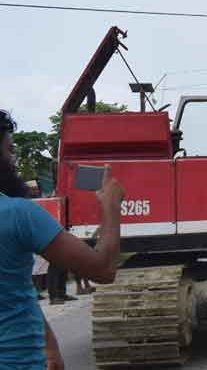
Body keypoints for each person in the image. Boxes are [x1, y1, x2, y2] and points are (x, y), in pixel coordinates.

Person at [1, 109, 124, 370]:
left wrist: (49, 345)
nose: (13, 159)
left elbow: (13, 292)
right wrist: (111, 207)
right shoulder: (18, 214)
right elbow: (103, 269)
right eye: (9, 150)